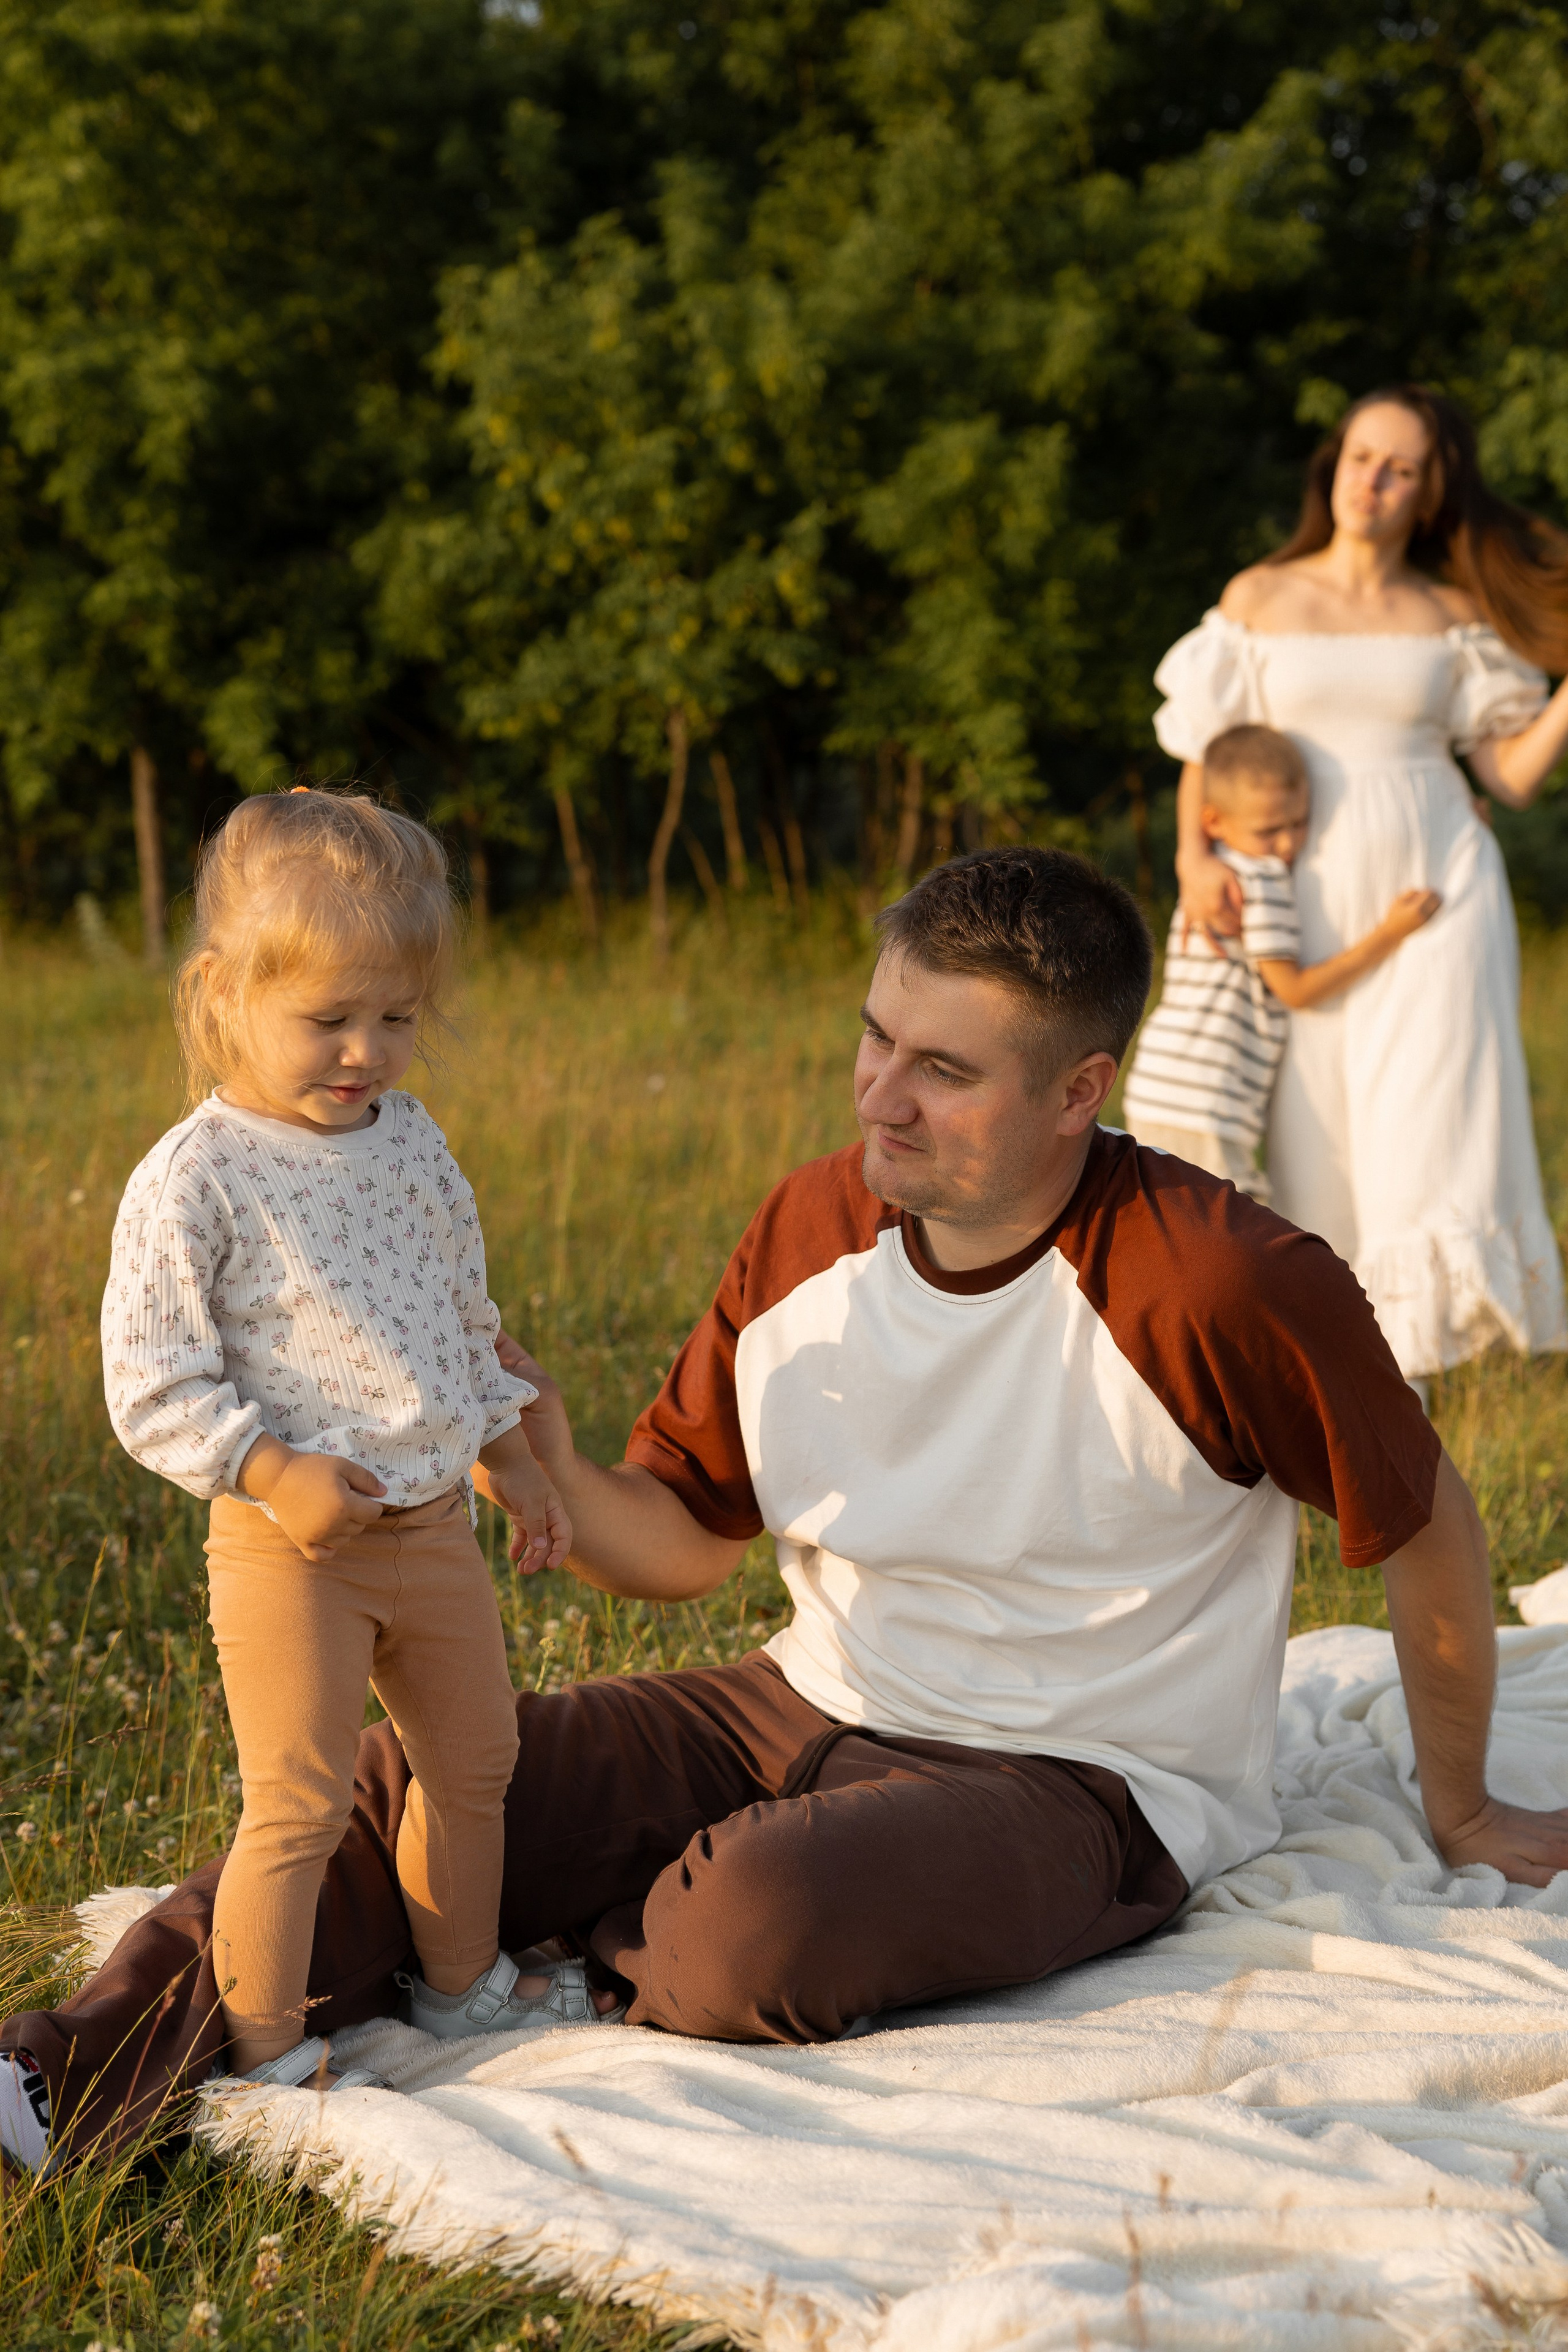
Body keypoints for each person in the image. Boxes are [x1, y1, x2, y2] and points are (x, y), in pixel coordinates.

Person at [13, 846, 1568, 2172]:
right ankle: (58, 2078)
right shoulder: (813, 1222)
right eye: (874, 1039)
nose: (879, 1099)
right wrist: (549, 1460)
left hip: (1080, 1778)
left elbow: (1423, 1524)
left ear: (1076, 1090)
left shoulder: (1220, 1277)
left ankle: (568, 1941)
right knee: (401, 1777)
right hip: (794, 1698)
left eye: (944, 1071)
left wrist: (1462, 1807)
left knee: (745, 1927)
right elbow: (687, 1543)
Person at [99, 788, 589, 2101]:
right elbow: (151, 1381)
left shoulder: (412, 1143)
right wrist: (268, 1471)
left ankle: (459, 1979)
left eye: (397, 1016)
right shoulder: (198, 1176)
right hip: (286, 1550)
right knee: (300, 1805)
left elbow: (461, 1321)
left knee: (475, 1761)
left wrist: (513, 1458)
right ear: (222, 995)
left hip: (430, 1529)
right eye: (328, 1020)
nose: (366, 1050)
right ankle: (267, 2052)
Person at [1161, 385, 1568, 1384]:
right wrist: (1194, 856)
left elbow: (1508, 777)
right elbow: (1208, 749)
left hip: (1438, 901)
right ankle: (1327, 1366)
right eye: (1359, 458)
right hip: (1304, 908)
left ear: (1431, 495)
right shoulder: (1263, 593)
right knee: (1316, 1134)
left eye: (1400, 469)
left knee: (1428, 1127)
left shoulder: (1453, 613)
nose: (1372, 483)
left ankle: (1409, 1399)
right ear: (1332, 465)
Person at [1122, 723, 1441, 1200]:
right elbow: (1294, 990)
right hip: (1208, 1097)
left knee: (1165, 1222)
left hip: (1160, 1082)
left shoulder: (1209, 879)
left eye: (1299, 823)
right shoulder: (1262, 879)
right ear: (1212, 821)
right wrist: (1389, 934)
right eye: (1269, 830)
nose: (1288, 845)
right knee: (1224, 1234)